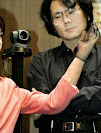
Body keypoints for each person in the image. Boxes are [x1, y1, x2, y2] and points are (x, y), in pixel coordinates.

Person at [28, 0, 101, 133]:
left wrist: (54, 100)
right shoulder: (41, 61)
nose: (66, 20)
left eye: (71, 12)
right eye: (57, 16)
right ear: (51, 24)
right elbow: (41, 107)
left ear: (87, 15)